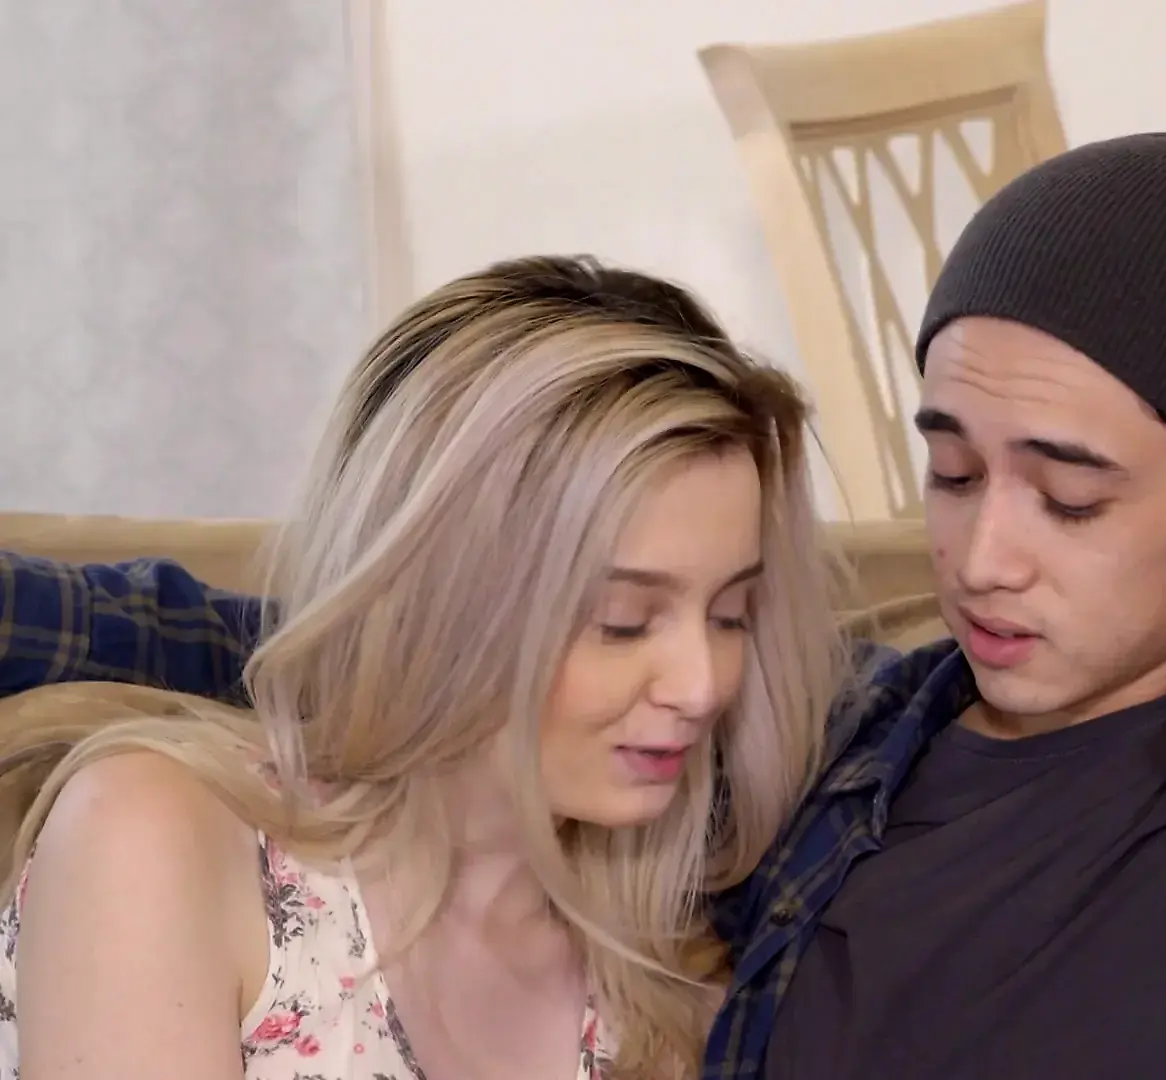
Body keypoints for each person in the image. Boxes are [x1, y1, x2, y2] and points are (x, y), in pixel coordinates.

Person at [4, 135, 1166, 1080]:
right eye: (948, 466)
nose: (986, 555)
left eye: (1068, 493)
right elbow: (384, 631)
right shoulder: (808, 752)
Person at [0, 255, 847, 1080]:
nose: (702, 685)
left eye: (732, 614)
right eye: (622, 623)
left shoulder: (672, 999)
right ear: (442, 601)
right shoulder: (156, 840)